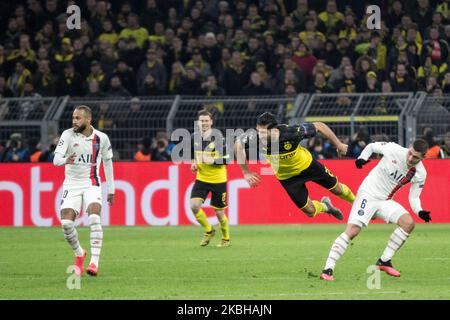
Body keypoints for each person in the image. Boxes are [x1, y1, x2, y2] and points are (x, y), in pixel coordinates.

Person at [320, 139, 432, 281]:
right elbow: (372, 146)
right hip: (368, 194)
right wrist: (362, 158)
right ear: (409, 148)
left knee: (408, 223)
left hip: (385, 201)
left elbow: (414, 197)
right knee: (353, 230)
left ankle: (384, 261)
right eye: (410, 153)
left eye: (416, 157)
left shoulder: (420, 173)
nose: (410, 158)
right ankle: (328, 269)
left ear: (424, 157)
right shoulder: (393, 149)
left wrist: (419, 211)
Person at [235, 112, 356, 220]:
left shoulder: (291, 133)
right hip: (288, 178)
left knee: (337, 189)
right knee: (310, 211)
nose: (259, 135)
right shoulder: (255, 138)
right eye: (258, 131)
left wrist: (339, 145)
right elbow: (237, 145)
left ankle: (359, 205)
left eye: (262, 132)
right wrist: (246, 172)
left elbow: (320, 126)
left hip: (308, 166)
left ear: (273, 130)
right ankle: (326, 207)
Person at [53, 105, 115, 277]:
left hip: (91, 183)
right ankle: (80, 253)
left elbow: (108, 164)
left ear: (88, 119)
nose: (74, 121)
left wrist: (111, 189)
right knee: (66, 224)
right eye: (73, 117)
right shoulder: (67, 134)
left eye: (78, 118)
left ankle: (94, 262)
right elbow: (56, 160)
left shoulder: (101, 138)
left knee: (94, 217)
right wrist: (66, 159)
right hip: (71, 185)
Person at [190, 109, 230, 247]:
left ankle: (225, 238)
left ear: (211, 122)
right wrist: (194, 163)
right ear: (198, 122)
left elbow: (226, 159)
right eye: (202, 121)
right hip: (201, 179)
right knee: (194, 206)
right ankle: (209, 230)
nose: (204, 123)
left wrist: (212, 161)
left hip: (218, 180)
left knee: (219, 213)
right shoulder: (193, 137)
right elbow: (194, 155)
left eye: (206, 120)